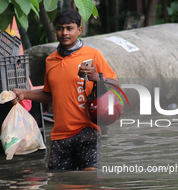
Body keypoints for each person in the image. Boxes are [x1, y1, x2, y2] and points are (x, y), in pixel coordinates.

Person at [12, 9, 116, 171]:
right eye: (60, 28)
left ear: (79, 30)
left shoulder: (93, 55)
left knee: (90, 183)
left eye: (69, 28)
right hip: (60, 136)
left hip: (87, 131)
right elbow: (51, 95)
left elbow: (116, 85)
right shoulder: (50, 60)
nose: (64, 33)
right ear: (56, 30)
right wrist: (24, 94)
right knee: (61, 186)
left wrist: (98, 78)